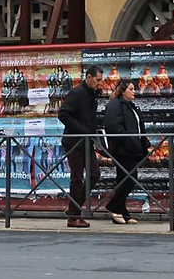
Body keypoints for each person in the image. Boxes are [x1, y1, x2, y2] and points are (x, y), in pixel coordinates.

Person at [57, 64, 105, 228]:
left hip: (87, 141)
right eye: (97, 80)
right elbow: (63, 114)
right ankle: (74, 216)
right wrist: (82, 130)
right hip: (74, 141)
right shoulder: (77, 93)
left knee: (94, 174)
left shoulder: (92, 94)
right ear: (89, 77)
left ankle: (73, 208)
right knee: (77, 177)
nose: (99, 83)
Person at [101, 81, 150, 225]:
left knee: (124, 180)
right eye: (131, 89)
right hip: (123, 150)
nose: (134, 92)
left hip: (132, 149)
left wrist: (144, 143)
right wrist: (128, 140)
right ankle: (112, 206)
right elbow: (113, 127)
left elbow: (138, 127)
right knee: (129, 179)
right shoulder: (115, 105)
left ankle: (121, 211)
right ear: (123, 91)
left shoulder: (130, 106)